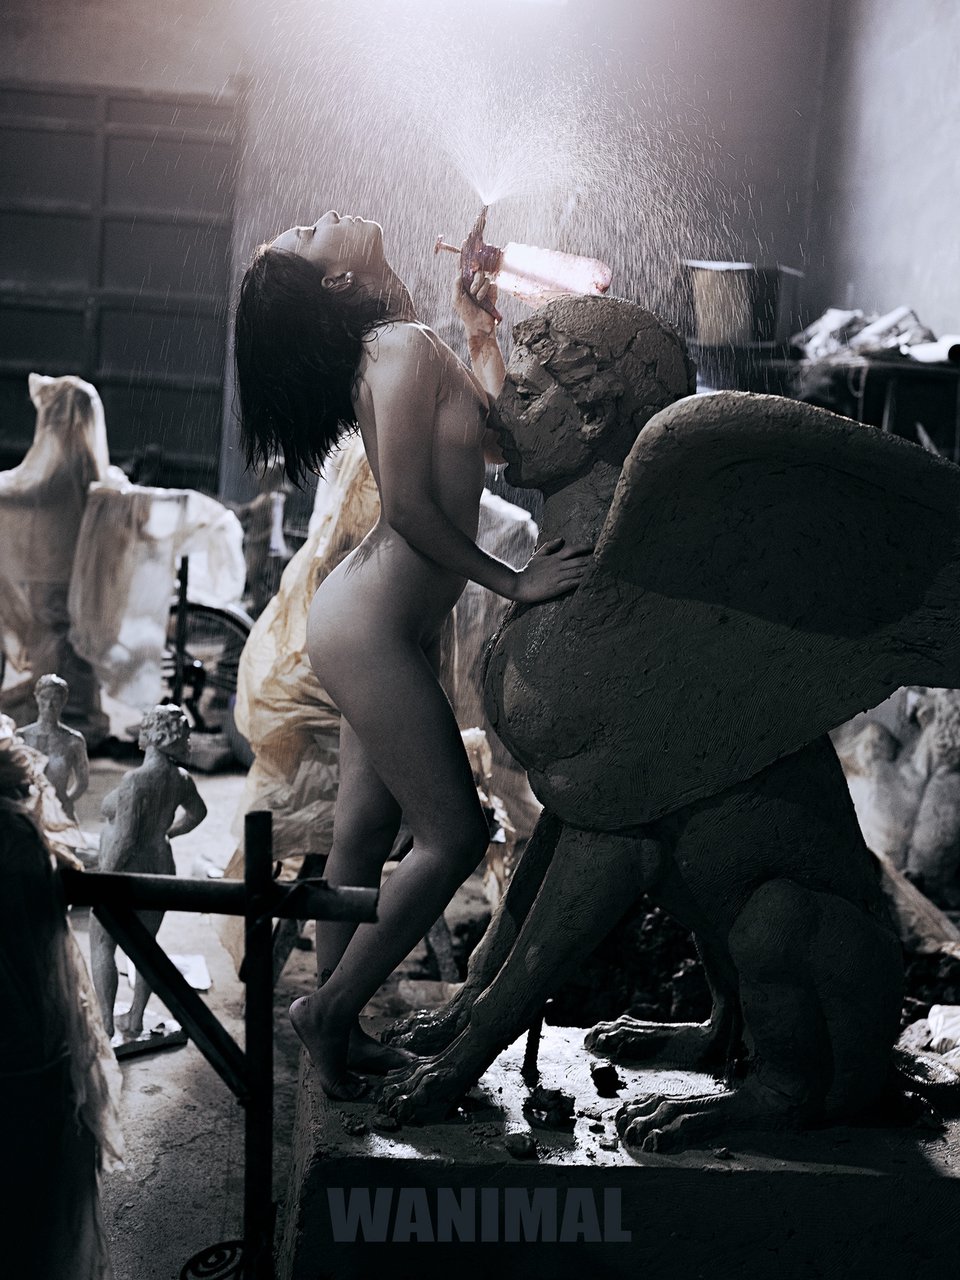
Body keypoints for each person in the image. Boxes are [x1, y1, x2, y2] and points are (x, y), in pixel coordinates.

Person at [234, 210, 591, 1098]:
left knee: (361, 835)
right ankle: (328, 1009)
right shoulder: (393, 348)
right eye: (310, 232)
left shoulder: (411, 344)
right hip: (368, 626)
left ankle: (341, 1028)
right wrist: (514, 583)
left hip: (388, 624)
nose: (326, 215)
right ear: (337, 282)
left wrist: (479, 331)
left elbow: (501, 446)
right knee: (456, 834)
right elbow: (406, 511)